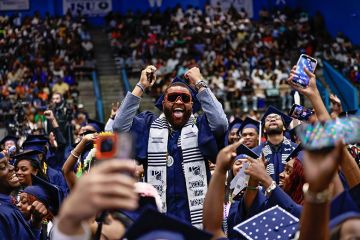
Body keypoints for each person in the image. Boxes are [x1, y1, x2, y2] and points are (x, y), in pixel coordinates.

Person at [113, 66, 228, 228]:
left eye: (185, 98)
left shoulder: (201, 126)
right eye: (173, 97)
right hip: (160, 222)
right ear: (164, 102)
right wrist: (141, 85)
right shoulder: (148, 126)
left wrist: (200, 84)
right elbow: (119, 127)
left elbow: (221, 124)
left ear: (192, 104)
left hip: (195, 223)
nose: (179, 101)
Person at [242, 106, 296, 184]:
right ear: (264, 129)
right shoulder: (254, 154)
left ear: (284, 127)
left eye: (277, 118)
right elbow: (241, 183)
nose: (272, 119)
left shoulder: (296, 150)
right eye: (268, 119)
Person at [0, 152, 45, 239]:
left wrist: (35, 222)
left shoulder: (8, 202)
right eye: (2, 167)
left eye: (8, 163)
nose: (12, 167)